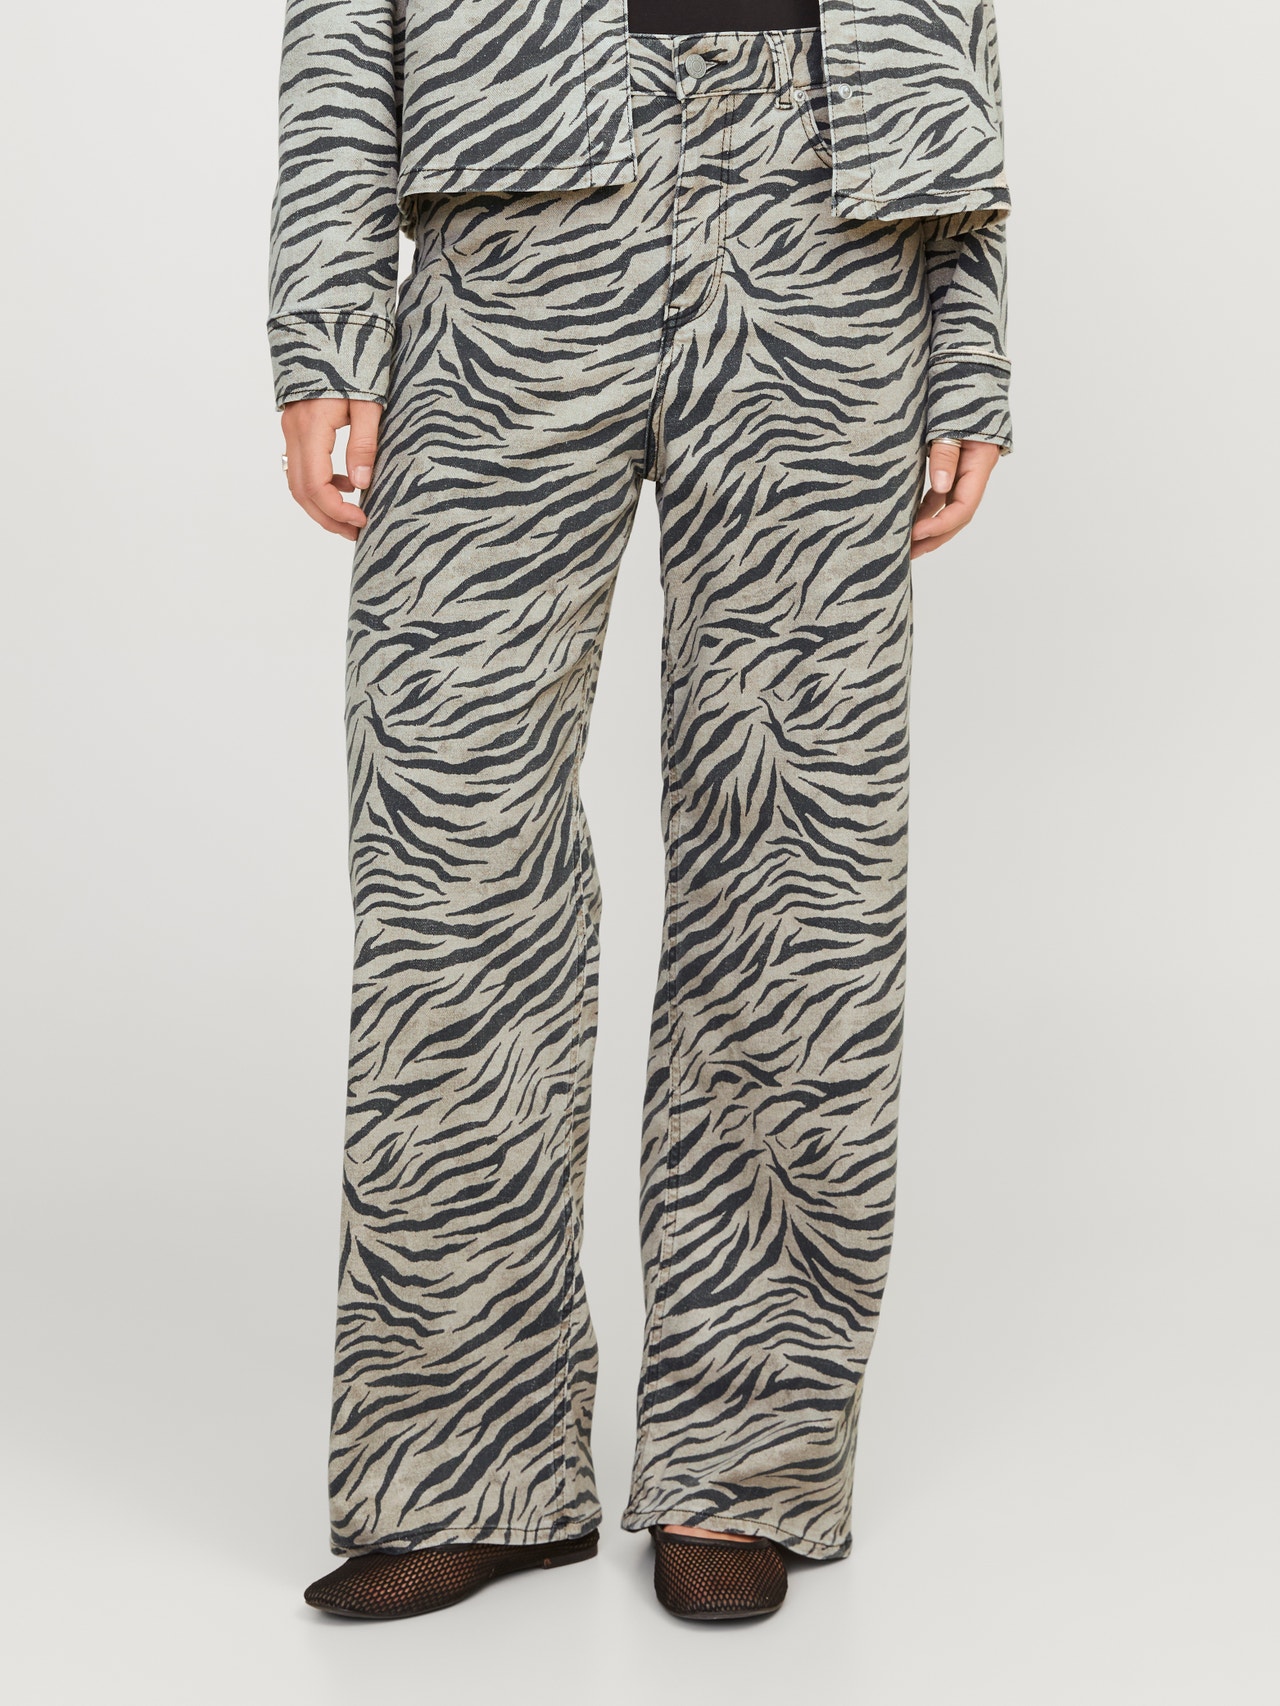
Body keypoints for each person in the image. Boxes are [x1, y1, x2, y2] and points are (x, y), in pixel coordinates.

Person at [270, 0, 1012, 1623]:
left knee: (800, 857)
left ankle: (741, 1460)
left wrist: (970, 317)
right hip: (512, 201)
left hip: (835, 203)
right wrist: (326, 311)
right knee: (451, 847)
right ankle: (465, 1461)